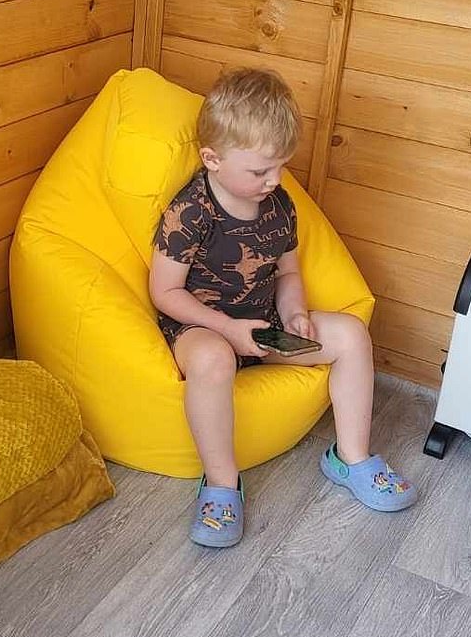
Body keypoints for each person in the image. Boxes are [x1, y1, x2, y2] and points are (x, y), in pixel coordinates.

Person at [149, 68, 417, 548]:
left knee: (352, 335)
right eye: (260, 171)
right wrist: (226, 329)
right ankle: (221, 483)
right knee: (214, 358)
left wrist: (295, 313)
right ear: (212, 159)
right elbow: (165, 293)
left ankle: (350, 457)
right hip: (200, 328)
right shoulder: (190, 211)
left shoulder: (279, 205)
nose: (274, 180)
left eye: (280, 167)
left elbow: (288, 273)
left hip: (264, 325)